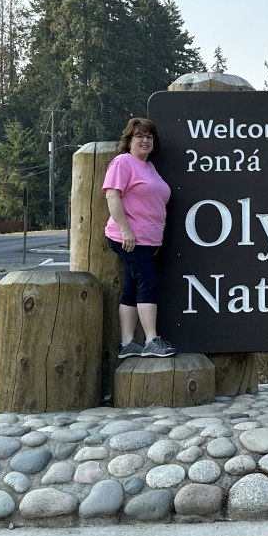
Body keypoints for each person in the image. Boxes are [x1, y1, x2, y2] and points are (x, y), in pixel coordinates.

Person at [103, 117, 176, 358]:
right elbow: (113, 196)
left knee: (132, 287)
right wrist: (126, 231)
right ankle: (151, 340)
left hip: (147, 240)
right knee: (148, 282)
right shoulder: (123, 162)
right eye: (139, 136)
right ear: (129, 140)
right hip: (130, 238)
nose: (144, 140)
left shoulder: (149, 167)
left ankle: (127, 343)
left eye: (149, 136)